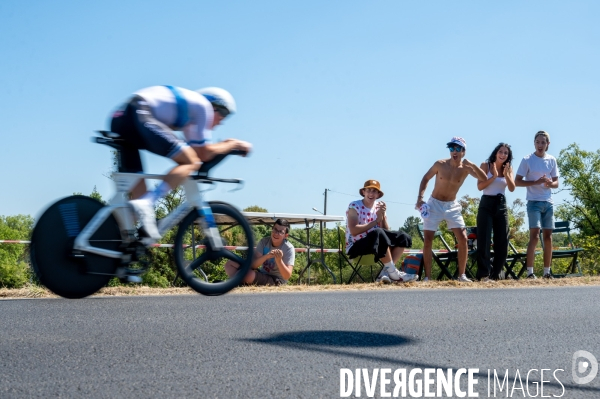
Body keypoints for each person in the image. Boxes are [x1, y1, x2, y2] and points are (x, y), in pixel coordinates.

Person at [109, 86, 252, 241]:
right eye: (223, 114)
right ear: (214, 106)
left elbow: (199, 151)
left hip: (121, 118)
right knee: (191, 161)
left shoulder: (190, 119)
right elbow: (201, 155)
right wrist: (233, 144)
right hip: (140, 112)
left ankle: (117, 241)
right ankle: (147, 202)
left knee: (137, 202)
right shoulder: (203, 107)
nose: (221, 121)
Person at [415, 137, 487, 282]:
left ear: (463, 152)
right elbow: (425, 178)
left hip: (451, 205)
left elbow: (484, 178)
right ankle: (427, 277)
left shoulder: (466, 168)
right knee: (428, 240)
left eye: (458, 149)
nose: (454, 151)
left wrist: (472, 164)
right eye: (451, 148)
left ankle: (462, 276)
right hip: (434, 203)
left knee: (463, 238)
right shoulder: (440, 164)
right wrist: (420, 197)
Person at [345, 180, 416, 284]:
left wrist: (382, 217)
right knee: (379, 232)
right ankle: (394, 273)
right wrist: (376, 221)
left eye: (374, 191)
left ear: (378, 194)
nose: (371, 194)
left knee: (402, 236)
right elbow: (354, 230)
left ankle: (385, 273)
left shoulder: (379, 207)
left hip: (377, 244)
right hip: (356, 246)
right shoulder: (354, 206)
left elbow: (386, 233)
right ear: (363, 192)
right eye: (369, 190)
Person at [515, 131, 559, 279]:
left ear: (548, 144)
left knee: (548, 236)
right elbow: (517, 181)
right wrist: (536, 182)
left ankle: (547, 272)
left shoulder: (552, 160)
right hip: (533, 202)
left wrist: (549, 183)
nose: (540, 145)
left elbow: (556, 183)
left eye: (543, 142)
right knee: (534, 235)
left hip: (548, 202)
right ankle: (530, 272)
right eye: (538, 142)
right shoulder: (527, 160)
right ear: (534, 143)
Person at [475, 143, 516, 281]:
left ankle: (497, 274)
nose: (503, 155)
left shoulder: (508, 168)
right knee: (484, 239)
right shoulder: (485, 165)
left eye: (506, 153)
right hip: (486, 203)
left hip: (501, 204)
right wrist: (493, 177)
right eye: (501, 151)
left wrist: (506, 175)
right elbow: (479, 186)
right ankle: (484, 274)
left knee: (502, 241)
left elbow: (512, 188)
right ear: (495, 152)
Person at [224, 219, 295, 285]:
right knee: (230, 264)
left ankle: (232, 283)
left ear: (286, 236)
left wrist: (279, 261)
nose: (276, 233)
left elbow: (287, 276)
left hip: (276, 280)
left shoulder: (289, 248)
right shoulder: (264, 241)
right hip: (262, 274)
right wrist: (267, 256)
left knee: (247, 274)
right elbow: (254, 265)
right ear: (272, 229)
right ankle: (238, 282)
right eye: (275, 229)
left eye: (280, 232)